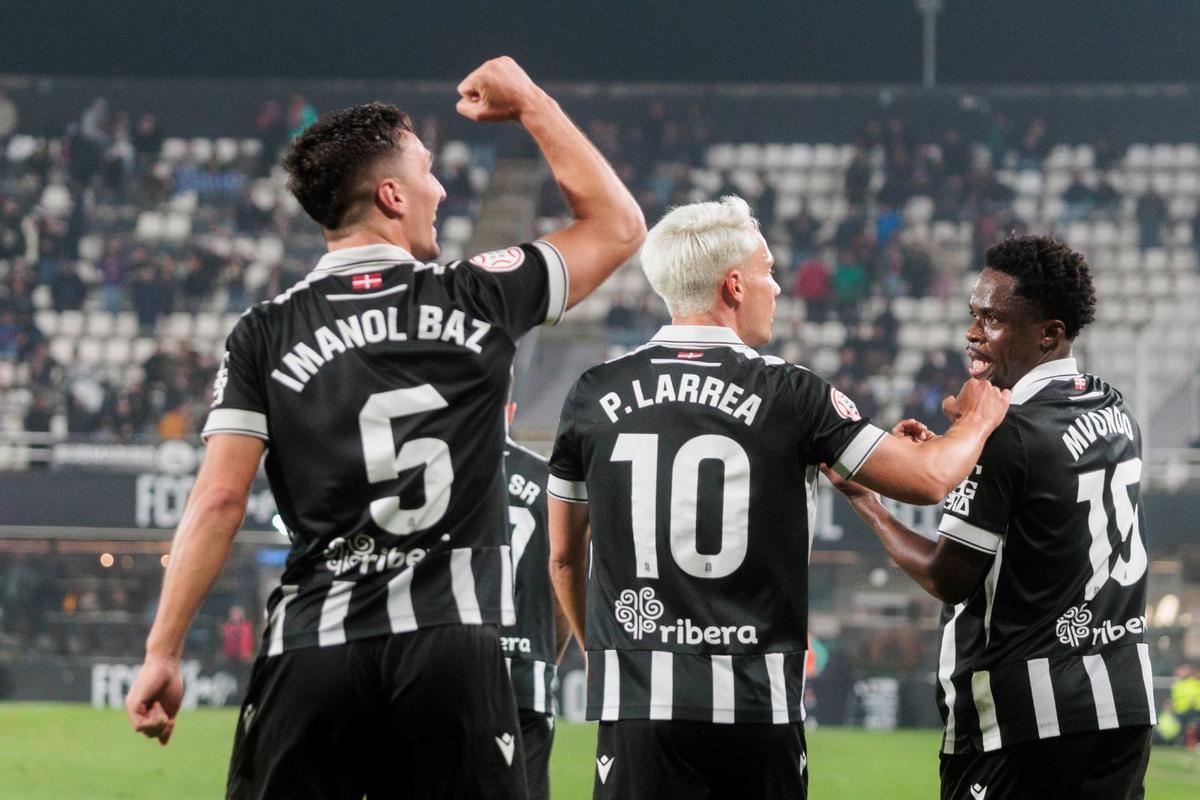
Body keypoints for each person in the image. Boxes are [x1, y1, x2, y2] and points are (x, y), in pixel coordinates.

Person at [124, 56, 645, 800]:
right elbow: (619, 227)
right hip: (452, 649)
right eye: (428, 171)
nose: (441, 187)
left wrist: (162, 649)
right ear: (392, 194)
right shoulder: (476, 295)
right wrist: (530, 102)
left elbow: (216, 501)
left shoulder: (264, 332)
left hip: (313, 643)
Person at [546, 196, 1009, 800]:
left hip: (638, 705)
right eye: (768, 271)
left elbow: (563, 557)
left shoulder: (593, 392)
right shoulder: (791, 394)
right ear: (733, 286)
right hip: (755, 709)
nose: (779, 288)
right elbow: (928, 480)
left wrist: (611, 658)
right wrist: (976, 420)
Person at [825, 234, 1156, 800]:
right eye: (974, 315)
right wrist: (968, 461)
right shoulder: (1113, 407)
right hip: (1122, 705)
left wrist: (867, 503)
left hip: (1023, 719)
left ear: (1049, 334)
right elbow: (1045, 507)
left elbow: (947, 575)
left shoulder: (1006, 433)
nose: (973, 333)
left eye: (993, 320)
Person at [501, 387, 570, 800]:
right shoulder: (548, 481)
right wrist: (545, 654)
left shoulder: (432, 474)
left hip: (443, 676)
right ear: (510, 410)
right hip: (527, 676)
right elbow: (564, 575)